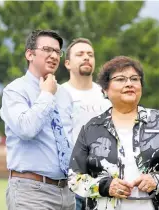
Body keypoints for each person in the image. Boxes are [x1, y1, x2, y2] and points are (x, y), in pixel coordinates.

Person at [68, 56, 159, 210]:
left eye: (134, 79)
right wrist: (104, 186)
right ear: (105, 90)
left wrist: (158, 180)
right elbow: (75, 178)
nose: (129, 83)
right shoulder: (91, 128)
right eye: (120, 79)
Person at [0, 29, 75, 210]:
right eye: (47, 49)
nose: (53, 56)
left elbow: (69, 139)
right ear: (29, 54)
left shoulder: (64, 93)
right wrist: (47, 95)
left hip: (67, 192)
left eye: (57, 51)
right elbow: (26, 129)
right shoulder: (15, 91)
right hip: (31, 191)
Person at [62, 38, 111, 210]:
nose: (86, 57)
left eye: (90, 54)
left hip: (102, 180)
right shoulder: (59, 94)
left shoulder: (106, 94)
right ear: (67, 63)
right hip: (69, 180)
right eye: (80, 54)